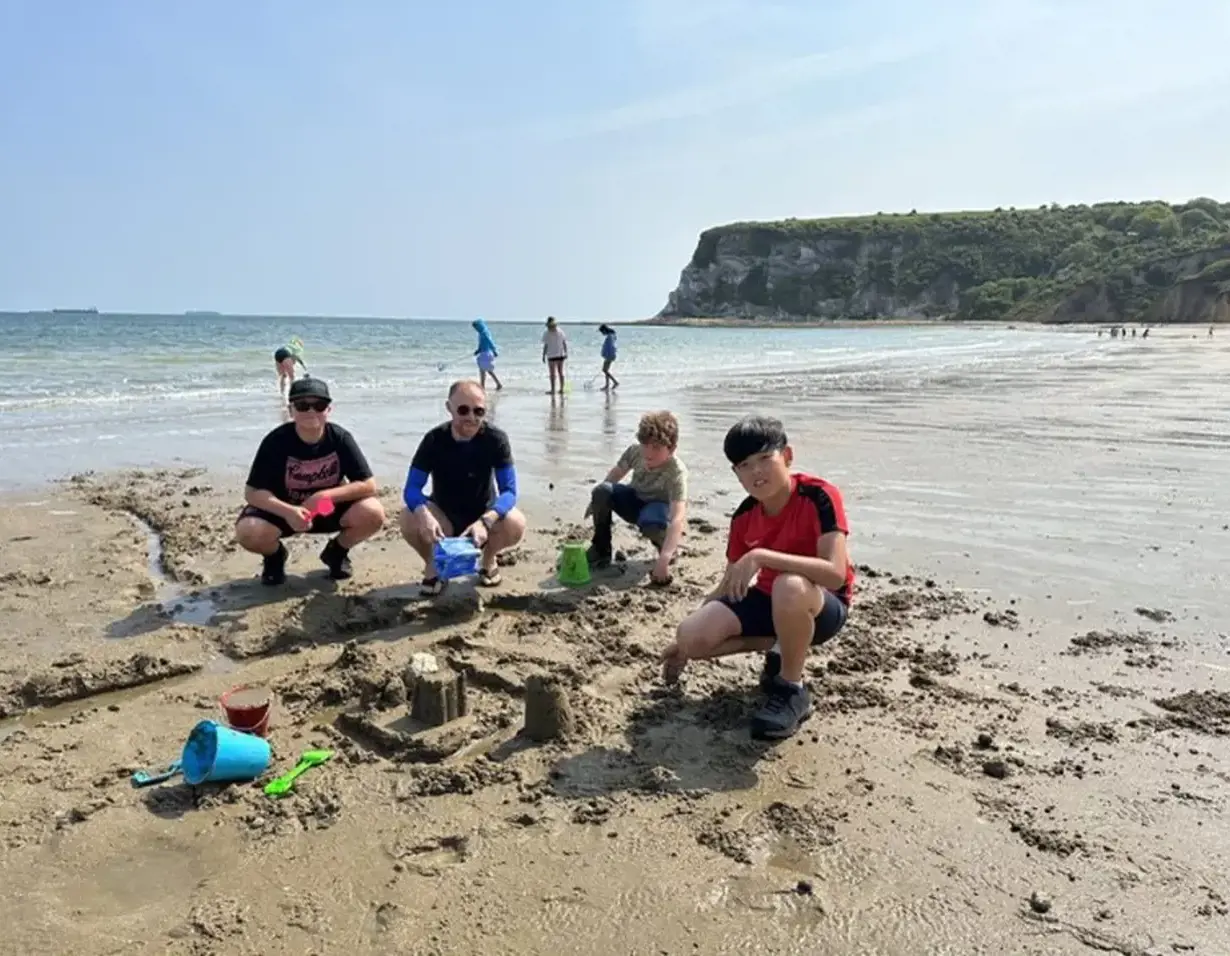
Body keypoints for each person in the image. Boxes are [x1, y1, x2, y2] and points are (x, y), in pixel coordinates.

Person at [660, 415, 853, 741]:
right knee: (692, 635)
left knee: (788, 585)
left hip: (820, 606)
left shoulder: (819, 496)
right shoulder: (745, 517)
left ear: (787, 456)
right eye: (745, 465)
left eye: (766, 458)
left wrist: (763, 556)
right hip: (770, 603)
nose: (757, 471)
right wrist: (685, 644)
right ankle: (781, 646)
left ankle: (791, 688)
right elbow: (728, 586)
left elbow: (834, 575)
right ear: (736, 474)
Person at [235, 377, 386, 586]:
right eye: (303, 405)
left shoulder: (340, 438)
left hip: (325, 508)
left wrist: (324, 496)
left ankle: (337, 552)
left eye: (319, 405)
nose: (311, 411)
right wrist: (289, 511)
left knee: (373, 512)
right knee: (249, 531)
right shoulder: (275, 442)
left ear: (328, 410)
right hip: (285, 510)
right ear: (291, 411)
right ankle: (274, 557)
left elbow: (368, 484)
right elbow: (253, 492)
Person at [400, 379, 527, 594]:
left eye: (479, 411)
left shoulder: (495, 439)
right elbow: (412, 488)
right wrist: (423, 513)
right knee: (408, 517)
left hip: (483, 516)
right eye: (463, 410)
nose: (471, 418)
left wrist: (486, 521)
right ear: (449, 408)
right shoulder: (434, 439)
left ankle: (488, 562)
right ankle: (433, 565)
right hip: (443, 518)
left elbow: (509, 491)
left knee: (516, 522)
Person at [586, 410, 686, 585]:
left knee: (651, 521)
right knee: (601, 491)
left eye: (656, 447)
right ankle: (601, 550)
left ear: (671, 449)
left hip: (658, 511)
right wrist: (594, 502)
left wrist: (664, 560)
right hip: (634, 501)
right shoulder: (635, 452)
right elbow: (616, 474)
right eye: (645, 445)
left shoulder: (676, 472)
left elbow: (678, 517)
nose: (648, 453)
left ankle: (666, 547)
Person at [472, 317, 503, 391]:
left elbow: (490, 342)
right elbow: (481, 345)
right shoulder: (481, 333)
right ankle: (496, 384)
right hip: (484, 353)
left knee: (484, 370)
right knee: (487, 370)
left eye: (476, 327)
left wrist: (494, 350)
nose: (476, 329)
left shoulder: (484, 333)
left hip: (486, 354)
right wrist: (478, 350)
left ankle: (483, 386)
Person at [541, 316, 568, 395]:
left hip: (553, 355)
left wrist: (543, 355)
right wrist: (566, 352)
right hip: (559, 355)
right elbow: (564, 343)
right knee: (560, 373)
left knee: (554, 374)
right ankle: (561, 389)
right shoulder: (560, 331)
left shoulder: (547, 333)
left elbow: (546, 345)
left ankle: (554, 390)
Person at [598, 324, 620, 390]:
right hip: (610, 356)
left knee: (604, 370)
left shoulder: (610, 337)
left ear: (604, 330)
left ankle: (614, 382)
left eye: (602, 332)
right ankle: (607, 385)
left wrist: (607, 355)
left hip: (609, 356)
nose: (602, 333)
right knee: (605, 370)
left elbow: (610, 347)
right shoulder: (611, 336)